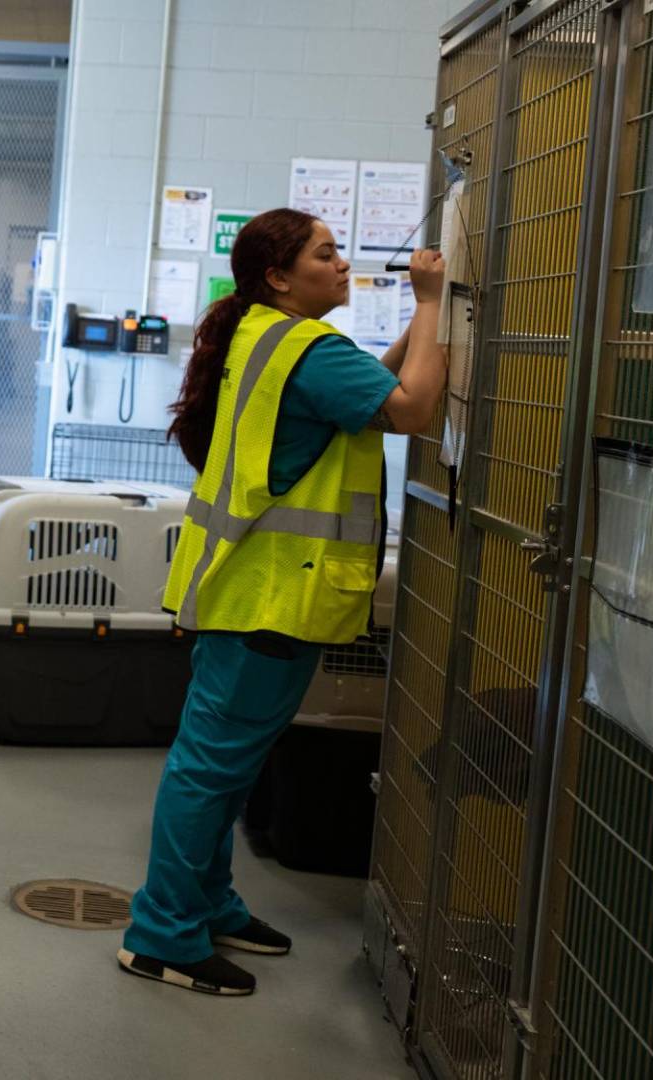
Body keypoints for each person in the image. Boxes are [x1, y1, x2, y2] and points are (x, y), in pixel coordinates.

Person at [120, 208, 447, 996]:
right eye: (326, 254)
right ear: (278, 276)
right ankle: (160, 933)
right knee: (209, 770)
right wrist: (434, 303)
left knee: (226, 768)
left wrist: (413, 325)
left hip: (247, 591)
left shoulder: (272, 338)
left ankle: (209, 904)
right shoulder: (306, 349)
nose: (342, 266)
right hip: (267, 599)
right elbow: (412, 411)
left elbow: (378, 389)